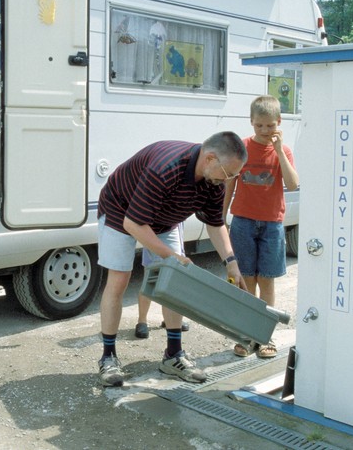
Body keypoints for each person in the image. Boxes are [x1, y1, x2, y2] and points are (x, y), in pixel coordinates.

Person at [96, 132, 248, 387]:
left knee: (177, 279)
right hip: (120, 212)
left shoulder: (213, 181)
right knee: (119, 279)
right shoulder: (165, 168)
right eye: (228, 173)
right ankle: (108, 357)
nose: (229, 180)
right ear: (210, 158)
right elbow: (133, 223)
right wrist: (172, 256)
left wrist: (231, 262)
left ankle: (173, 355)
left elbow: (215, 224)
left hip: (164, 220)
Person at [222, 96, 299, 359]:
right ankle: (245, 335)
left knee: (267, 280)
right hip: (243, 221)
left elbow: (292, 184)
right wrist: (220, 217)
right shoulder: (242, 148)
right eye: (259, 126)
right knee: (246, 280)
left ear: (279, 123)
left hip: (272, 224)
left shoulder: (284, 151)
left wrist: (278, 152)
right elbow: (229, 184)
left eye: (270, 126)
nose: (265, 131)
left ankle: (265, 336)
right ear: (251, 123)